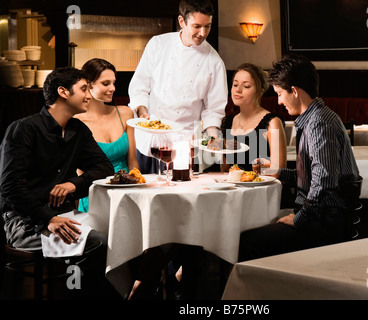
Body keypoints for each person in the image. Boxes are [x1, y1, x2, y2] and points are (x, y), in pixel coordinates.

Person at [0, 67, 117, 298]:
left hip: (65, 215)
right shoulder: (24, 129)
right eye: (84, 89)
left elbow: (105, 168)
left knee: (119, 235)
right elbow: (10, 187)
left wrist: (73, 184)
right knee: (99, 242)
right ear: (63, 92)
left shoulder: (78, 130)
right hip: (25, 222)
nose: (88, 95)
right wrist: (48, 218)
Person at [237, 54, 360, 262]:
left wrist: (299, 219)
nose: (279, 101)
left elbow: (324, 181)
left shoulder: (319, 123)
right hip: (322, 215)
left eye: (279, 94)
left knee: (244, 242)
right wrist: (279, 172)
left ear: (294, 91)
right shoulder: (316, 117)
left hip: (325, 222)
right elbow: (316, 175)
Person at [128, 0, 228, 174]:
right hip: (150, 137)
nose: (202, 33)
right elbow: (139, 86)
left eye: (207, 27)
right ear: (182, 21)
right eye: (197, 26)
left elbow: (213, 110)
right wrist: (142, 111)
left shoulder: (214, 61)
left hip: (183, 143)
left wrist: (213, 138)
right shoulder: (158, 44)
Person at [75, 58, 138, 212]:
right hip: (94, 195)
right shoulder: (77, 122)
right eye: (106, 83)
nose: (113, 88)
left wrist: (137, 193)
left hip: (126, 193)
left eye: (113, 83)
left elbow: (133, 163)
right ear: (88, 84)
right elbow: (80, 174)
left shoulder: (125, 114)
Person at [220, 63, 287, 173]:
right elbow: (225, 170)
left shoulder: (272, 122)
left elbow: (279, 172)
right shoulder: (228, 122)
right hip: (234, 188)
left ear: (260, 92)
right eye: (235, 85)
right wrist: (224, 149)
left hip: (262, 188)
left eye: (246, 86)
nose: (238, 90)